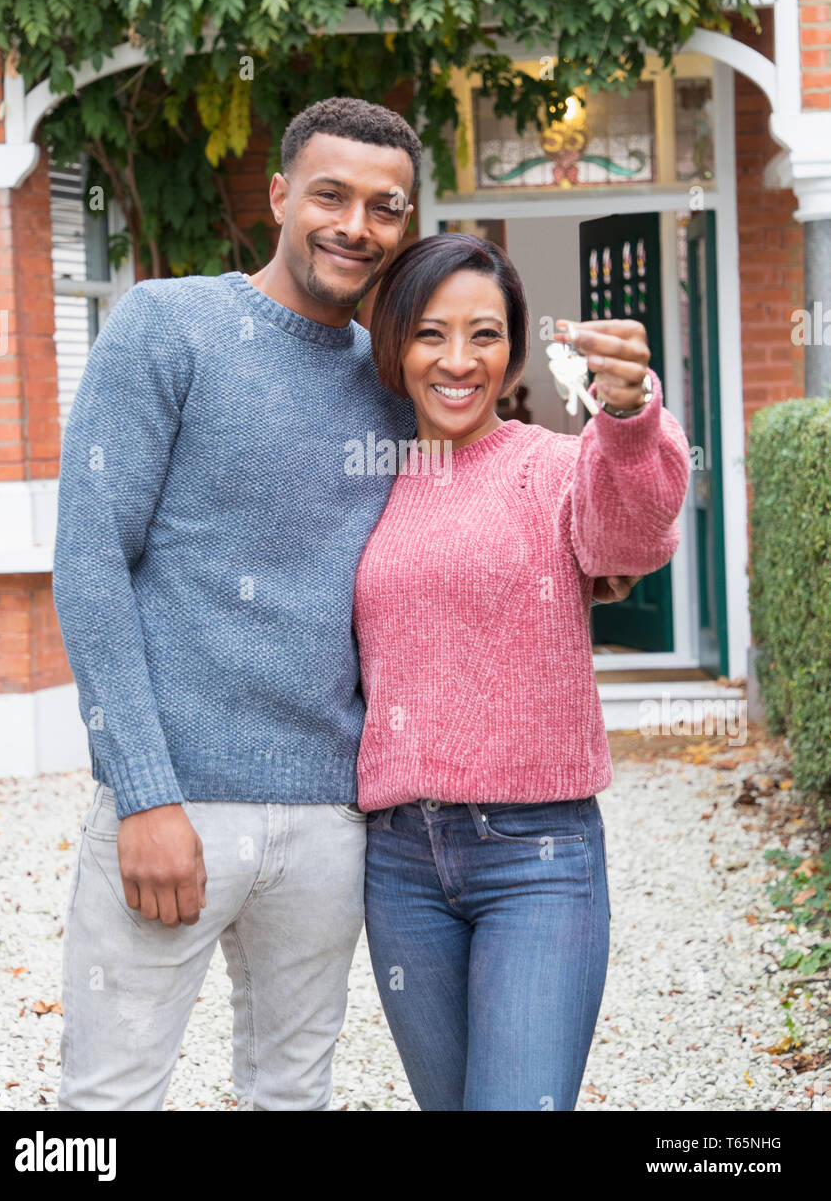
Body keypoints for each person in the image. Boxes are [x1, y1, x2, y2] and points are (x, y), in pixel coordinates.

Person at [52, 96, 637, 1112]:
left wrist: (613, 486)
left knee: (294, 1092)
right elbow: (91, 561)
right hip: (173, 802)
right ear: (279, 194)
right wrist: (142, 790)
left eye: (383, 205)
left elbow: (523, 518)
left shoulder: (394, 375)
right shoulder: (166, 326)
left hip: (334, 819)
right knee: (108, 1097)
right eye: (329, 194)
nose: (353, 224)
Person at [353, 231, 692, 1111]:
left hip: (537, 861)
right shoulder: (367, 477)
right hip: (398, 866)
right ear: (393, 343)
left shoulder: (553, 467)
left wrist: (626, 416)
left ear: (514, 347)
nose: (458, 361)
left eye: (485, 335)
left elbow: (630, 535)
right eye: (430, 333)